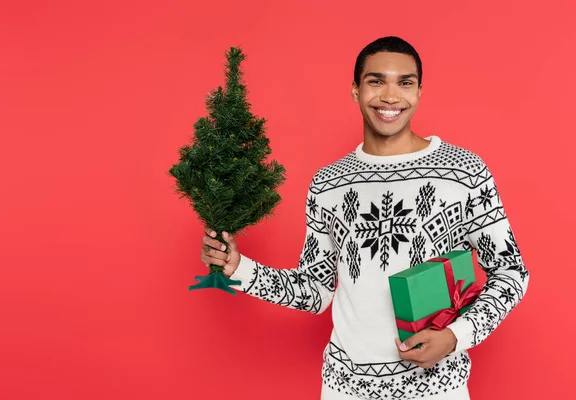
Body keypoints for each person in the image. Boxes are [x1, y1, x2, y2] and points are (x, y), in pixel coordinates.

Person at [199, 36, 529, 400]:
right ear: (355, 91)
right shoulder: (327, 184)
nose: (391, 96)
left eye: (405, 82)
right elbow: (315, 291)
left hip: (437, 389)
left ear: (419, 91)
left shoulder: (464, 171)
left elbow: (511, 272)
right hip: (344, 388)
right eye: (376, 81)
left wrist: (456, 337)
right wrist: (239, 268)